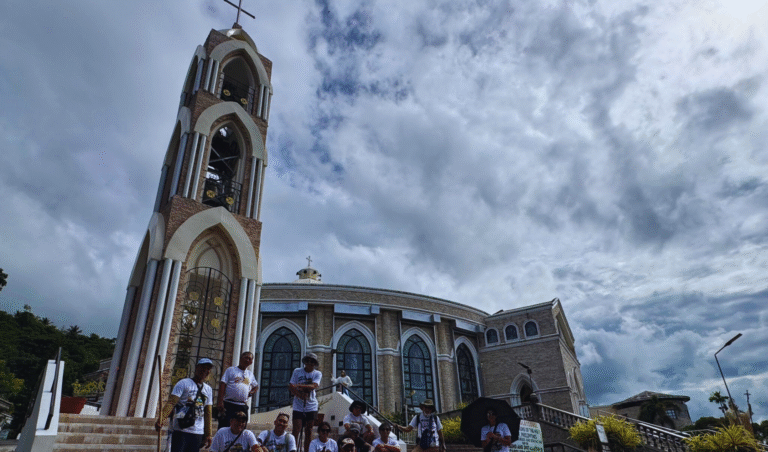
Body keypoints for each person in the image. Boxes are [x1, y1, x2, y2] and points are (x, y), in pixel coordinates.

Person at [155, 358, 215, 452]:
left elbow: (208, 412)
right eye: (203, 367)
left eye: (208, 368)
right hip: (181, 430)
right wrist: (161, 419)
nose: (205, 370)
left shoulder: (208, 389)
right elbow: (171, 402)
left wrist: (209, 434)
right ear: (196, 368)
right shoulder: (184, 383)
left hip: (197, 431)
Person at [288, 352, 322, 452]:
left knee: (309, 430)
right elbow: (291, 386)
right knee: (296, 429)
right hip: (298, 404)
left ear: (315, 364)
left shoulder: (317, 373)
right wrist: (299, 395)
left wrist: (299, 386)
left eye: (312, 362)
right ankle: (293, 449)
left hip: (311, 405)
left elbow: (314, 386)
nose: (310, 363)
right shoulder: (297, 371)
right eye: (308, 361)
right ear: (305, 362)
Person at [218, 351, 259, 428]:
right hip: (229, 404)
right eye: (245, 357)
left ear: (251, 362)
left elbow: (256, 386)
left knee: (240, 429)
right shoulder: (230, 370)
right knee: (225, 427)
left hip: (242, 406)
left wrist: (251, 392)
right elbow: (223, 384)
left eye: (249, 359)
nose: (247, 360)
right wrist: (220, 402)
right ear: (240, 359)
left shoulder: (250, 374)